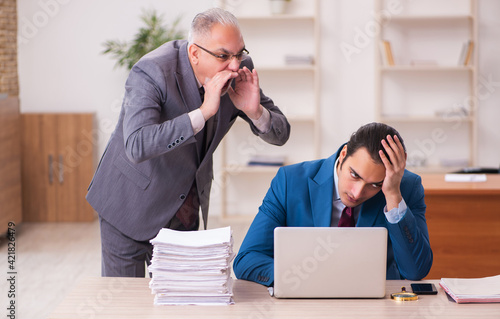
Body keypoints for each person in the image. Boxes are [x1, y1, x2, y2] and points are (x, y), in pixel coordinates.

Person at [86, 8, 290, 277]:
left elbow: (281, 133)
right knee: (127, 307)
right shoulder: (152, 72)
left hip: (183, 208)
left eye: (240, 53)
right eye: (223, 55)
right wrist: (203, 113)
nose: (234, 64)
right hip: (130, 204)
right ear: (195, 53)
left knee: (181, 302)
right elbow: (137, 144)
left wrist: (255, 112)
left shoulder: (240, 69)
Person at [233, 122, 433, 286]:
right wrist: (297, 279)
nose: (357, 193)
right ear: (343, 154)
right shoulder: (290, 181)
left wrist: (391, 194)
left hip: (375, 309)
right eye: (354, 175)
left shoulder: (405, 188)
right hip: (304, 303)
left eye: (374, 185)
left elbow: (416, 271)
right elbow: (247, 259)